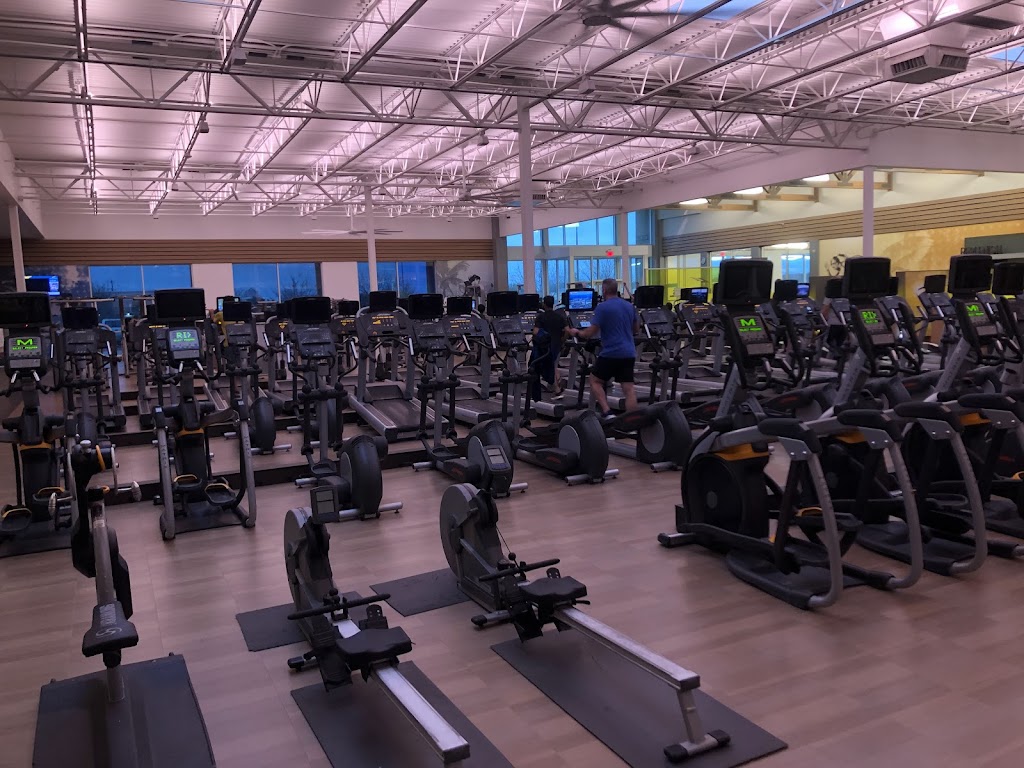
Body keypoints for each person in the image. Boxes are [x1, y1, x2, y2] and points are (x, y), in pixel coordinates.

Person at [567, 277, 639, 418]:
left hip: (611, 353)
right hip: (629, 352)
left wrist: (577, 332)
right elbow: (636, 329)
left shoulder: (602, 307)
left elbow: (590, 333)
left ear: (604, 290)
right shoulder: (629, 306)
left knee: (595, 380)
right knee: (628, 388)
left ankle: (607, 412)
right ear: (616, 290)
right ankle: (633, 419)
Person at [531, 295, 567, 400]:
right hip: (557, 346)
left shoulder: (541, 317)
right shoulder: (559, 316)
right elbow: (567, 330)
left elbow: (535, 332)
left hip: (545, 347)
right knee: (553, 365)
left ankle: (557, 389)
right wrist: (562, 340)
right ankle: (556, 387)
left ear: (544, 304)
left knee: (549, 366)